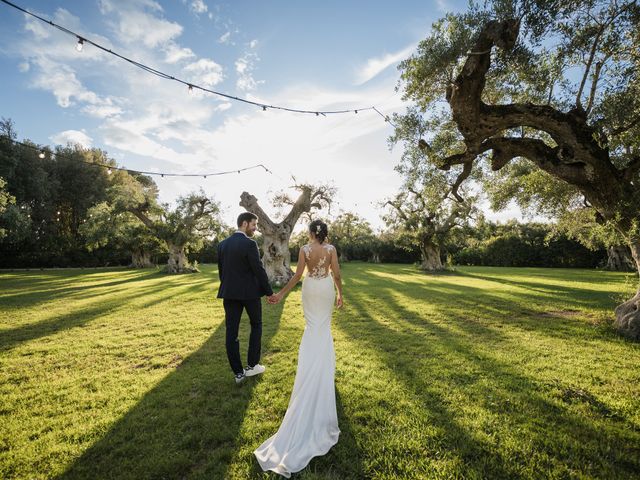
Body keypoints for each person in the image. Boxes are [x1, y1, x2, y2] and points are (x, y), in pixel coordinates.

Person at [254, 219, 343, 478]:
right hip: (324, 288)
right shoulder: (331, 250)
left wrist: (281, 295)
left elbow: (297, 275)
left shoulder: (304, 250)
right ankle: (322, 368)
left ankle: (312, 367)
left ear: (309, 233)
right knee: (322, 328)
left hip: (310, 290)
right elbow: (336, 274)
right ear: (325, 234)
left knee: (312, 327)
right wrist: (340, 294)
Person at [217, 212, 276, 384]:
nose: (255, 228)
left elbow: (222, 272)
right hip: (250, 294)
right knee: (256, 325)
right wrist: (269, 292)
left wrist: (228, 287)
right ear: (244, 223)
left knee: (231, 332)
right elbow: (258, 270)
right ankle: (252, 366)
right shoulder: (250, 244)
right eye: (254, 224)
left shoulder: (222, 245)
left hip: (229, 294)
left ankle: (238, 373)